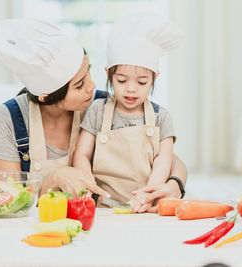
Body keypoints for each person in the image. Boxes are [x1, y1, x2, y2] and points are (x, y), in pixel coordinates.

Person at [0, 18, 187, 207]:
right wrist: (55, 179)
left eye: (88, 70)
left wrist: (174, 185)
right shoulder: (7, 120)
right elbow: (12, 201)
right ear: (46, 96)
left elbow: (166, 158)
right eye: (80, 85)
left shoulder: (100, 105)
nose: (92, 86)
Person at [73, 12, 183, 213]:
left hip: (145, 205)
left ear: (154, 78)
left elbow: (163, 160)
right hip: (101, 205)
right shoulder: (98, 110)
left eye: (142, 82)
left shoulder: (162, 117)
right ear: (108, 74)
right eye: (121, 81)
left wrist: (149, 193)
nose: (131, 89)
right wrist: (87, 185)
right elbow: (82, 153)